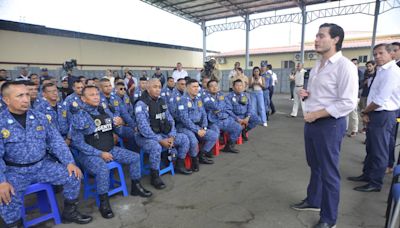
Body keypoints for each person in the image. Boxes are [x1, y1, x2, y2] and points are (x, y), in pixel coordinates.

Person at [291, 23, 358, 228]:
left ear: (335, 40)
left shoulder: (345, 66)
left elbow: (348, 102)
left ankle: (329, 218)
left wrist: (317, 114)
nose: (316, 39)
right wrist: (307, 94)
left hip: (329, 124)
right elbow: (324, 94)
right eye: (317, 36)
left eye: (321, 36)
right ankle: (314, 200)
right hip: (312, 122)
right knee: (315, 165)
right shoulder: (318, 65)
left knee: (329, 172)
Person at [0, 81, 92, 227]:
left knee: (74, 176)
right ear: (6, 100)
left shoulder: (39, 117)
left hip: (42, 166)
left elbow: (56, 141)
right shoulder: (1, 122)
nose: (26, 99)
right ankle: (14, 224)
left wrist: (69, 162)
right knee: (5, 196)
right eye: (19, 96)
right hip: (15, 172)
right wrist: (1, 181)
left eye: (27, 95)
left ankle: (70, 212)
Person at [70, 85, 152, 219]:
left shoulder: (104, 111)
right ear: (83, 99)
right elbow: (78, 143)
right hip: (90, 154)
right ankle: (104, 202)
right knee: (103, 169)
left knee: (135, 157)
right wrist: (99, 154)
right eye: (92, 95)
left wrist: (119, 123)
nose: (96, 97)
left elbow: (117, 131)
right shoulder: (79, 116)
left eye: (97, 94)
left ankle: (136, 186)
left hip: (110, 149)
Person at [348, 44, 400, 192]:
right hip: (375, 113)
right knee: (371, 147)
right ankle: (367, 175)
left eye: (381, 53)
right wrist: (368, 113)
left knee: (379, 150)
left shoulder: (392, 72)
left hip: (383, 114)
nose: (377, 56)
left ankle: (375, 182)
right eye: (375, 54)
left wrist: (365, 111)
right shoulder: (382, 70)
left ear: (391, 54)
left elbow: (380, 100)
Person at [135, 79, 192, 184]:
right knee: (155, 147)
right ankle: (155, 176)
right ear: (148, 88)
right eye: (155, 87)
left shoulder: (161, 101)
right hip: (145, 137)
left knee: (184, 138)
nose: (158, 90)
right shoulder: (141, 104)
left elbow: (170, 120)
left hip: (162, 133)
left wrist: (172, 136)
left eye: (159, 87)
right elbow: (144, 128)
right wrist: (160, 140)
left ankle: (179, 164)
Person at [176, 79, 217, 170]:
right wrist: (197, 130)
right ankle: (194, 161)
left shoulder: (198, 99)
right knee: (193, 141)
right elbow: (184, 119)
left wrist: (204, 127)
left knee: (213, 135)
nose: (196, 89)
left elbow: (203, 114)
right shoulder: (183, 100)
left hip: (198, 127)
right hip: (184, 127)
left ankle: (201, 155)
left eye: (197, 86)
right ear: (187, 88)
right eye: (194, 87)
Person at [203, 80, 242, 154]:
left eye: (216, 86)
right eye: (212, 86)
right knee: (215, 134)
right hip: (214, 121)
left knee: (238, 127)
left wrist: (236, 118)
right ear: (208, 88)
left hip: (225, 119)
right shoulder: (205, 97)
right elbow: (213, 106)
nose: (214, 88)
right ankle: (205, 152)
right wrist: (220, 108)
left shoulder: (221, 95)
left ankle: (229, 146)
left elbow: (228, 107)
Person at [346, 58, 363, 137]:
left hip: (355, 96)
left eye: (355, 63)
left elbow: (361, 85)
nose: (353, 65)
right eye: (352, 63)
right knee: (345, 113)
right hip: (346, 95)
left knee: (353, 113)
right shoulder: (347, 73)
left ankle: (354, 130)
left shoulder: (360, 73)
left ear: (358, 65)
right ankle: (344, 128)